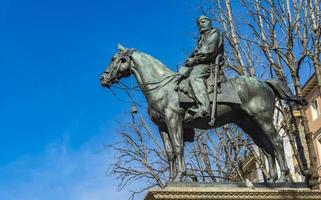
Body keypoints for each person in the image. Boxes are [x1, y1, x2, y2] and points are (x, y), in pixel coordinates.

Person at [176, 15, 224, 118]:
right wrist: (189, 60)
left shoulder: (214, 32)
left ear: (209, 22)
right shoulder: (200, 39)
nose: (200, 24)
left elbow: (209, 50)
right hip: (198, 63)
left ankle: (204, 108)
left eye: (203, 21)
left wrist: (194, 60)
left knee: (195, 77)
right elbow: (196, 52)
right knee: (180, 74)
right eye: (199, 23)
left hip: (208, 64)